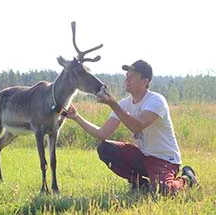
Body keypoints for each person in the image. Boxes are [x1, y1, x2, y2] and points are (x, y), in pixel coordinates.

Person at [66, 59, 198, 195]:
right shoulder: (124, 104)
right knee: (105, 148)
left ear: (145, 81)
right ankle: (140, 184)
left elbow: (138, 126)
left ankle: (187, 178)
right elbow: (102, 134)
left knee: (162, 190)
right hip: (142, 156)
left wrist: (113, 104)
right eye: (126, 76)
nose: (127, 80)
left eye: (132, 77)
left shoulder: (156, 100)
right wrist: (77, 117)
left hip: (164, 160)